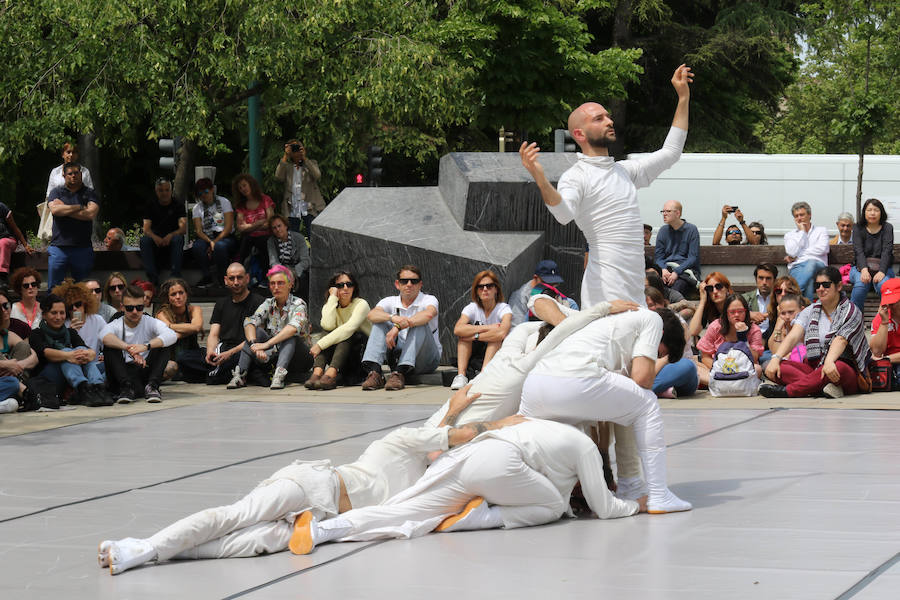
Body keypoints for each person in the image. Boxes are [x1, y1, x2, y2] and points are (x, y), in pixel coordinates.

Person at [97, 389, 515, 575]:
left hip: (317, 522)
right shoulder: (403, 440)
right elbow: (449, 435)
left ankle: (147, 551)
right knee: (234, 517)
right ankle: (148, 546)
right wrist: (498, 422)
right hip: (313, 485)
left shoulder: (424, 478)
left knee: (242, 547)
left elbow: (445, 452)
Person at [290, 417, 644, 556]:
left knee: (405, 511)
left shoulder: (551, 430)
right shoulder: (584, 448)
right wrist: (635, 505)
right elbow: (604, 507)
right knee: (553, 506)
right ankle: (479, 517)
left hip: (468, 457)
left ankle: (320, 530)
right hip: (502, 464)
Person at [519, 65, 692, 307]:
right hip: (605, 287)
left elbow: (672, 152)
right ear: (579, 133)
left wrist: (683, 98)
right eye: (599, 119)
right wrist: (540, 178)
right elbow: (563, 214)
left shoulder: (625, 171)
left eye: (607, 116)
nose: (609, 121)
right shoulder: (576, 176)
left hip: (635, 286)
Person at [517, 305, 692, 513]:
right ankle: (658, 494)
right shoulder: (653, 320)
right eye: (658, 352)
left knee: (523, 440)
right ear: (661, 334)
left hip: (536, 384)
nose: (654, 356)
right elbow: (642, 378)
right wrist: (661, 358)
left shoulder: (616, 320)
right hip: (574, 379)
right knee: (648, 404)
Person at [762, 266, 871, 399]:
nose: (820, 289)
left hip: (843, 367)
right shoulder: (810, 311)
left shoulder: (851, 311)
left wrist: (829, 362)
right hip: (814, 368)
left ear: (839, 286)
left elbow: (840, 339)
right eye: (817, 285)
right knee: (775, 366)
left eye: (825, 285)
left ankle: (788, 391)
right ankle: (821, 388)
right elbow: (794, 335)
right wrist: (776, 358)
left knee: (839, 367)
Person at [227, 265, 311, 390]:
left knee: (290, 336)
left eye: (280, 283)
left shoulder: (299, 304)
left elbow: (293, 328)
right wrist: (254, 345)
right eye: (272, 283)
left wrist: (265, 345)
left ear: (290, 285)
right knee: (257, 331)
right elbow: (250, 321)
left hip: (300, 357)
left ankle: (279, 375)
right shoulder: (268, 303)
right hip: (276, 354)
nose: (276, 287)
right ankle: (240, 375)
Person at [360, 265, 440, 391]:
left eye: (414, 281)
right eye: (404, 281)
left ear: (420, 285)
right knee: (379, 322)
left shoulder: (429, 299)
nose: (409, 284)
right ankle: (375, 373)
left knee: (419, 323)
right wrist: (392, 318)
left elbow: (428, 314)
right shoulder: (389, 301)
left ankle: (400, 373)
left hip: (426, 359)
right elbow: (371, 315)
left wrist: (397, 327)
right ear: (397, 284)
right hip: (397, 355)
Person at [101, 285, 177, 404]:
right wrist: (128, 348)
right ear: (122, 307)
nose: (135, 312)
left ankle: (152, 386)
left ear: (144, 306)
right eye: (130, 308)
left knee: (164, 343)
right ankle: (126, 387)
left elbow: (171, 335)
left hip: (144, 371)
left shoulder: (149, 321)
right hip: (123, 374)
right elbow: (104, 337)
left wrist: (145, 346)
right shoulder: (116, 324)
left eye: (139, 307)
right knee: (110, 347)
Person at [29, 294, 109, 406]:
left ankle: (97, 387)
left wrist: (85, 354)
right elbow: (46, 353)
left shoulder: (70, 332)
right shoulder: (36, 333)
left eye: (62, 313)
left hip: (71, 373)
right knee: (67, 352)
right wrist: (68, 355)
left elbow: (89, 351)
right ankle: (83, 387)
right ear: (44, 315)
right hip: (49, 376)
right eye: (54, 313)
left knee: (84, 351)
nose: (58, 317)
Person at [306, 271, 371, 391]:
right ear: (334, 288)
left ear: (354, 287)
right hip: (342, 356)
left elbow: (348, 328)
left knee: (347, 333)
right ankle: (317, 373)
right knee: (327, 332)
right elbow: (327, 325)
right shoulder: (331, 304)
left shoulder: (361, 304)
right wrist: (333, 298)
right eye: (340, 285)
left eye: (349, 284)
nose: (345, 288)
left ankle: (331, 373)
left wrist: (319, 345)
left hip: (361, 355)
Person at [451, 271, 512, 390]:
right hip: (476, 351)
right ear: (476, 291)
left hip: (497, 350)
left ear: (496, 289)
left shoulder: (504, 308)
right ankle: (461, 376)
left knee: (495, 339)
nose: (485, 289)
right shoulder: (472, 308)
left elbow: (502, 333)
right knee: (463, 338)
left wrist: (475, 336)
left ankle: (484, 375)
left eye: (489, 286)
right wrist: (488, 327)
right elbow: (458, 329)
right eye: (480, 287)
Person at [46, 162, 100, 288]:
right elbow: (54, 210)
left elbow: (90, 214)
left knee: (82, 291)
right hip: (59, 248)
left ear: (81, 174)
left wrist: (64, 209)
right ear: (64, 175)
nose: (73, 176)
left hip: (83, 248)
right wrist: (79, 206)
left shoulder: (90, 193)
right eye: (70, 173)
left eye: (76, 173)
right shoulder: (56, 192)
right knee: (54, 290)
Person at [696, 294, 764, 387]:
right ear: (726, 313)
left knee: (757, 369)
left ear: (746, 312)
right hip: (718, 369)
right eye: (732, 312)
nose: (736, 315)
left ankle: (719, 384)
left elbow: (754, 358)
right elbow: (705, 357)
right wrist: (723, 368)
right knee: (693, 365)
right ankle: (728, 383)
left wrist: (743, 338)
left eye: (740, 311)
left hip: (742, 369)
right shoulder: (715, 326)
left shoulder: (754, 330)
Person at [644, 287, 698, 398]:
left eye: (655, 304)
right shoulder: (643, 324)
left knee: (687, 367)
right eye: (648, 305)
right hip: (651, 373)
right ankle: (657, 391)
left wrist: (664, 359)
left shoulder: (673, 321)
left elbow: (675, 353)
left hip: (674, 368)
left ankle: (639, 390)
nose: (652, 308)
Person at [51, 279, 107, 375]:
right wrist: (71, 333)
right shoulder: (63, 323)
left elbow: (107, 344)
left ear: (85, 303)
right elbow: (62, 351)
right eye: (70, 306)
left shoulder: (97, 320)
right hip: (73, 366)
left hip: (94, 364)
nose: (74, 308)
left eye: (78, 304)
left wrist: (103, 355)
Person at [155, 279, 206, 383]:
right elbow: (170, 336)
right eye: (173, 294)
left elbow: (196, 327)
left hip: (191, 356)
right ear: (168, 298)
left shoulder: (194, 309)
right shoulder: (161, 314)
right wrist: (190, 328)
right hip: (170, 359)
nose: (178, 297)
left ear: (186, 294)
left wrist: (170, 326)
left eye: (181, 292)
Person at [849, 198, 894, 312]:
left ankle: (888, 320)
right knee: (860, 286)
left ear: (881, 212)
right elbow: (858, 251)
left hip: (883, 268)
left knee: (884, 286)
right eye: (869, 210)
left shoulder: (888, 227)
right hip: (860, 268)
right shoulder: (858, 228)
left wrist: (882, 271)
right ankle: (855, 320)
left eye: (876, 210)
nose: (872, 213)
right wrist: (864, 270)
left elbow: (887, 251)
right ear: (864, 212)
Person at [139, 178, 186, 286]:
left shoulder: (178, 205)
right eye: (161, 190)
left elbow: (183, 229)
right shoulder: (150, 205)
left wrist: (170, 235)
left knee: (178, 239)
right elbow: (146, 229)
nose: (164, 193)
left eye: (167, 190)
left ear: (171, 190)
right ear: (156, 191)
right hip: (156, 239)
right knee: (144, 240)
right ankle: (152, 279)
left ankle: (175, 276)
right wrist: (155, 237)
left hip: (173, 238)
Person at [191, 178, 236, 288]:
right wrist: (210, 241)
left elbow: (228, 227)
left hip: (225, 236)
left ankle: (223, 277)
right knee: (197, 246)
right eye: (200, 193)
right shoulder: (197, 208)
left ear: (212, 190)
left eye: (206, 191)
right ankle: (207, 276)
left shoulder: (224, 202)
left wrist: (214, 242)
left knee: (220, 246)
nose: (204, 195)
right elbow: (198, 230)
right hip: (206, 237)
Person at [275, 140, 325, 238]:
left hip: (310, 207)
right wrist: (285, 156)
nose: (296, 151)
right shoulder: (287, 167)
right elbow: (278, 177)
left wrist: (304, 158)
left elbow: (317, 175)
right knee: (293, 239)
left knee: (314, 237)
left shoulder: (311, 163)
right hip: (292, 208)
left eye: (299, 148)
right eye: (293, 148)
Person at [232, 174, 275, 284]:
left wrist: (250, 226)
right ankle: (238, 276)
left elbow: (270, 222)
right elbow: (241, 228)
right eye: (240, 188)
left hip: (265, 235)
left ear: (251, 184)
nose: (243, 189)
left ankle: (265, 278)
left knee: (263, 243)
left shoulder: (265, 199)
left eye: (244, 185)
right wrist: (260, 222)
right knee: (244, 243)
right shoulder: (241, 205)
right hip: (249, 237)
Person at [0, 290, 38, 413]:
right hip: (8, 382)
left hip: (7, 382)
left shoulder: (7, 334)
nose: (3, 310)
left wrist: (16, 366)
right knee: (12, 383)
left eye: (5, 305)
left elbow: (33, 356)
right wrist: (6, 364)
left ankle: (17, 393)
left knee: (23, 347)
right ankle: (22, 392)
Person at [508, 260, 577, 327]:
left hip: (556, 328)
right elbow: (516, 328)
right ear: (535, 277)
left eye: (554, 283)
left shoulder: (557, 295)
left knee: (572, 304)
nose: (550, 286)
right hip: (532, 332)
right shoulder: (520, 297)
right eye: (547, 282)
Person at [783, 201, 829, 300]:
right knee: (809, 283)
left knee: (811, 263)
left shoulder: (821, 231)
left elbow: (823, 249)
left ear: (809, 215)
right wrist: (802, 232)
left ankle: (793, 296)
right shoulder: (790, 235)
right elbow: (791, 252)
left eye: (802, 215)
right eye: (796, 216)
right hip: (797, 268)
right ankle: (808, 312)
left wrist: (798, 255)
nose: (799, 218)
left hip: (818, 267)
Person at [654, 200, 701, 295]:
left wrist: (676, 272)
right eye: (663, 211)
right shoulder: (663, 231)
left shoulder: (691, 229)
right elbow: (659, 257)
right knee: (653, 287)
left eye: (668, 211)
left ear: (677, 213)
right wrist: (663, 269)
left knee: (676, 288)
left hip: (685, 271)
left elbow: (692, 258)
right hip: (667, 270)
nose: (664, 214)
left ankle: (669, 308)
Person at [266, 214, 310, 299]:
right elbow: (273, 262)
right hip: (282, 269)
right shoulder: (271, 241)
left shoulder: (299, 238)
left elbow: (305, 260)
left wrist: (293, 273)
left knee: (303, 278)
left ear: (285, 226)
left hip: (298, 269)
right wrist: (284, 273)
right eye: (274, 228)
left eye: (279, 226)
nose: (277, 230)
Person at [869, 279, 900, 384]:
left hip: (888, 360)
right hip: (888, 365)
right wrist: (884, 322)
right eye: (888, 302)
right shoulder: (881, 318)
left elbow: (880, 358)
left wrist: (887, 358)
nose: (890, 306)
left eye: (894, 302)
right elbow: (877, 352)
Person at [764, 293, 806, 370]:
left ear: (802, 310)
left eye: (791, 312)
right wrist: (778, 327)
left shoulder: (807, 326)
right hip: (788, 367)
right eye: (783, 313)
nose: (787, 317)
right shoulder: (783, 328)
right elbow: (775, 352)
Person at [687, 272, 734, 337]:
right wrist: (702, 301)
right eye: (710, 288)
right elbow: (693, 331)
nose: (715, 291)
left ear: (727, 289)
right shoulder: (709, 307)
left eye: (718, 286)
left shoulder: (736, 303)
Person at [0, 201, 34, 286]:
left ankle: (2, 277)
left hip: (7, 240)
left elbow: (15, 228)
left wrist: (26, 245)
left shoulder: (1, 207)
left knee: (3, 243)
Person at [742, 263, 778, 334]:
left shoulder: (779, 298)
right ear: (756, 279)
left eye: (768, 278)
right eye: (761, 278)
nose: (764, 282)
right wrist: (748, 315)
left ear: (774, 280)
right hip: (751, 337)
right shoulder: (745, 299)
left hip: (773, 338)